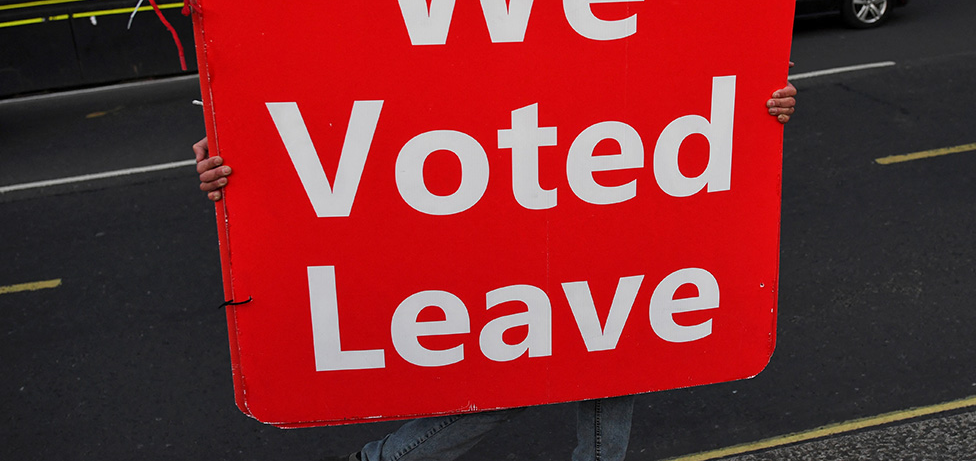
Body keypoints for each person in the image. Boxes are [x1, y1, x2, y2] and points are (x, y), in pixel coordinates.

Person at [193, 73, 797, 461]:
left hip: (608, 204)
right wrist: (234, 152)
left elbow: (696, 80)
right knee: (511, 371)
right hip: (519, 201)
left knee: (615, 359)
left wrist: (764, 102)